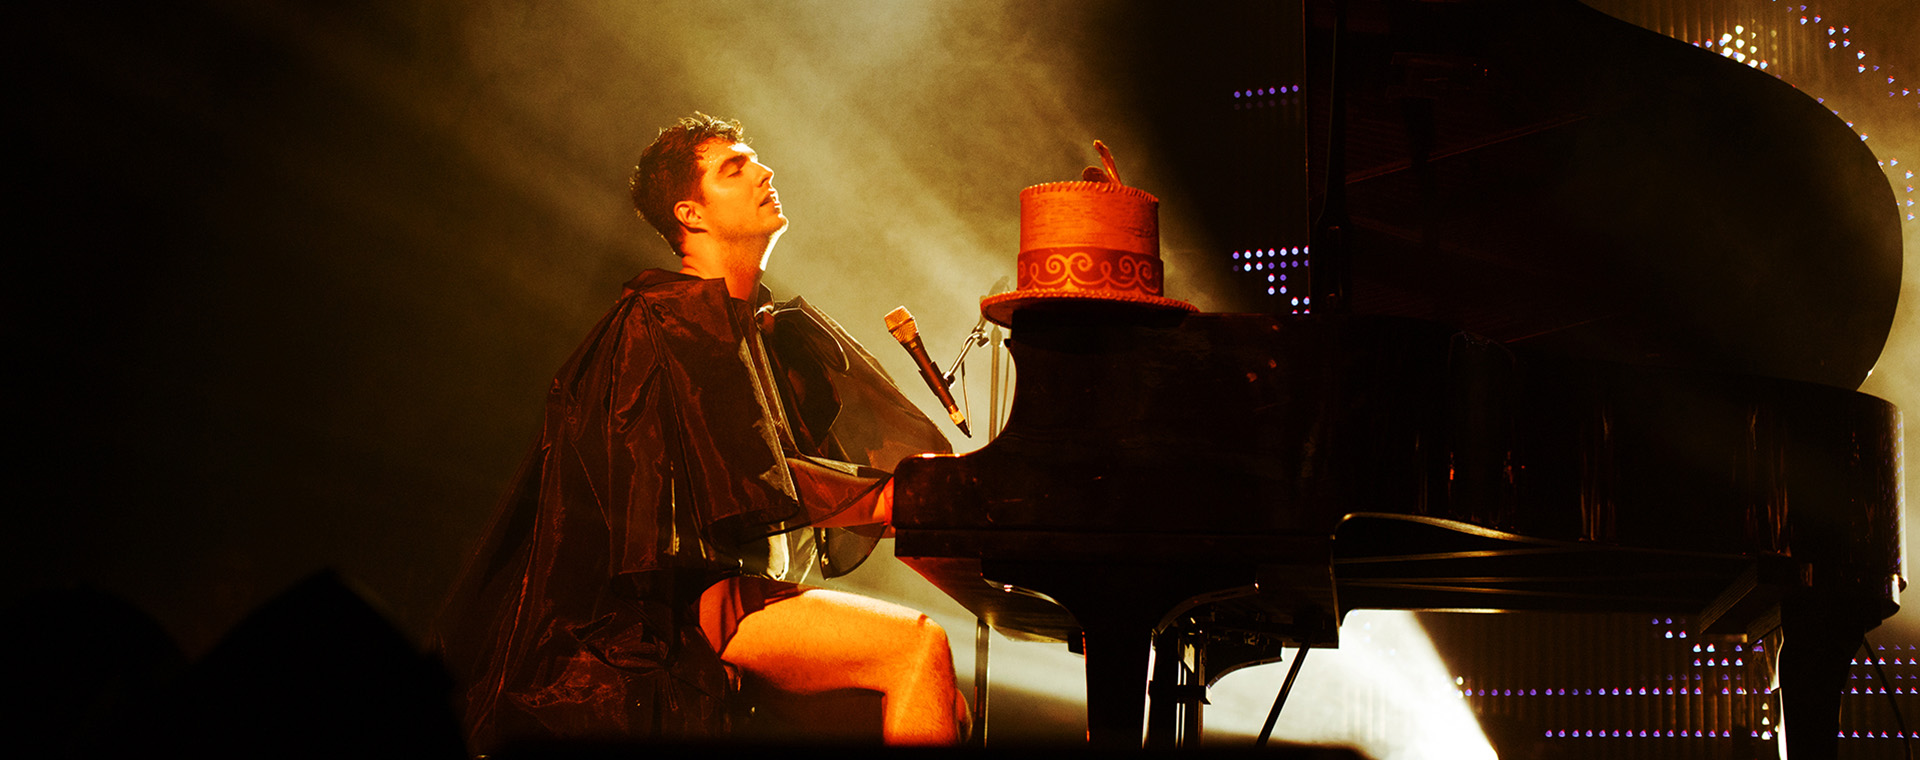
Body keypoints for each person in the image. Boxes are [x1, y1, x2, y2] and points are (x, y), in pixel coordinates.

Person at [433, 113, 968, 752]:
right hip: (659, 615)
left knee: (946, 704)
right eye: (733, 168)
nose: (765, 172)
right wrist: (896, 496)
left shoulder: (759, 330)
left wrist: (913, 497)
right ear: (690, 214)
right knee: (917, 647)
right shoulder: (664, 320)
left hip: (731, 599)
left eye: (756, 160)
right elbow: (743, 478)